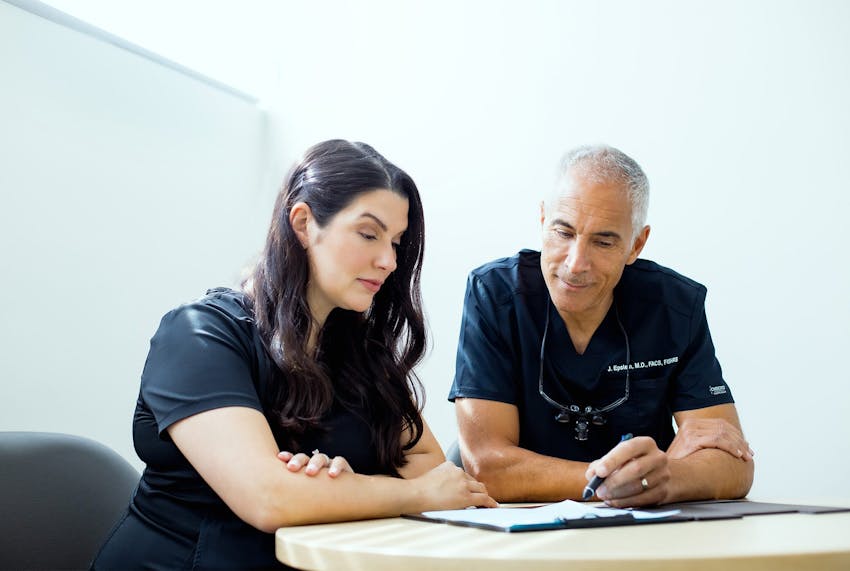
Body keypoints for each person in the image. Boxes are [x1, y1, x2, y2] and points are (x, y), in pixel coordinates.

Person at [92, 139, 496, 570]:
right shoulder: (198, 335)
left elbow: (431, 467)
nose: (389, 260)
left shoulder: (359, 353)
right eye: (368, 234)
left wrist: (342, 488)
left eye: (396, 242)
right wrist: (405, 494)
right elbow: (268, 498)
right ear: (303, 223)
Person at [449, 144, 754, 507]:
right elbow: (488, 467)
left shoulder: (675, 307)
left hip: (639, 524)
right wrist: (628, 481)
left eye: (603, 242)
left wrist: (669, 476)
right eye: (563, 233)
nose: (576, 264)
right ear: (543, 220)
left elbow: (735, 463)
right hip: (521, 519)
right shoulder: (494, 295)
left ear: (636, 244)